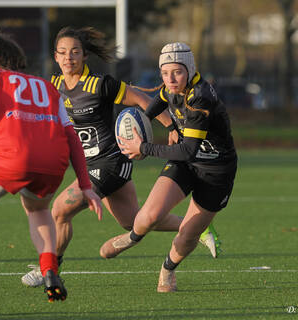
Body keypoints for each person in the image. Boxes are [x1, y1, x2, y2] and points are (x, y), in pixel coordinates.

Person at [21, 28, 221, 287]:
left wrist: (171, 127)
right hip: (91, 164)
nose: (68, 57)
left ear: (84, 56)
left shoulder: (99, 83)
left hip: (112, 162)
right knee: (133, 222)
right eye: (62, 53)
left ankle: (50, 269)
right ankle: (197, 226)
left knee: (60, 210)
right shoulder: (54, 85)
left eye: (75, 52)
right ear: (55, 57)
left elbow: (140, 98)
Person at [100, 42, 237, 292]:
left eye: (177, 72)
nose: (171, 79)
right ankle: (132, 238)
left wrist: (142, 148)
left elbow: (187, 150)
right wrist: (144, 122)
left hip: (216, 172)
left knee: (187, 235)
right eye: (165, 73)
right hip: (185, 165)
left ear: (190, 70)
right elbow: (156, 105)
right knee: (147, 216)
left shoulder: (200, 98)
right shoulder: (170, 89)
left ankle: (168, 269)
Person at [0, 30, 102, 302]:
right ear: (20, 63)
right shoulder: (48, 88)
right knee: (38, 210)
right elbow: (71, 136)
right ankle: (49, 270)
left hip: (11, 158)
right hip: (51, 164)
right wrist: (85, 186)